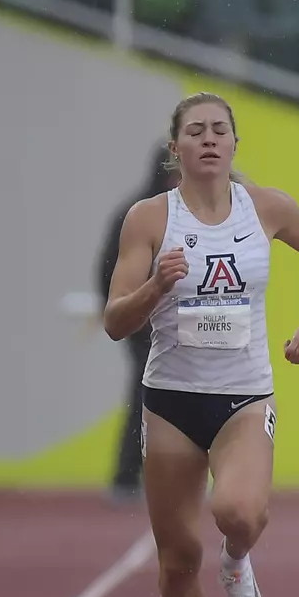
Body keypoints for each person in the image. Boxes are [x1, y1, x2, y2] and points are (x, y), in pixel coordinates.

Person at [102, 92, 299, 597]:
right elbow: (114, 322)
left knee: (238, 512)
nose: (209, 140)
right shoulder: (149, 221)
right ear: (175, 147)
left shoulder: (266, 207)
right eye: (195, 131)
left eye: (220, 131)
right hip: (172, 402)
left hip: (243, 395)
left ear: (235, 144)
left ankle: (237, 560)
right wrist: (156, 286)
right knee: (177, 557)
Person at [96, 142, 177, 502]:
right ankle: (127, 475)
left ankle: (168, 475)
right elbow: (108, 270)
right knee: (146, 398)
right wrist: (122, 308)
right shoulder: (140, 215)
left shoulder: (185, 212)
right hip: (143, 324)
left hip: (174, 322)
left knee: (180, 399)